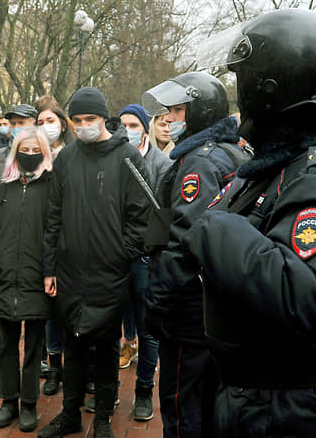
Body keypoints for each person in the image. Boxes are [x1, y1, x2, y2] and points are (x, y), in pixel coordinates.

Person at [180, 8, 316, 437]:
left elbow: (310, 293)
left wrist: (214, 229)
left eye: (243, 80)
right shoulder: (298, 161)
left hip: (299, 409)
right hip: (279, 401)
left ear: (268, 88)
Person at [38, 87, 150, 438]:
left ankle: (102, 417)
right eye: (78, 120)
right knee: (72, 343)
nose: (84, 125)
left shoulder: (128, 157)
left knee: (106, 347)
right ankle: (70, 414)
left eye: (90, 119)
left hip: (109, 271)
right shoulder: (67, 159)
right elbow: (53, 216)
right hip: (69, 270)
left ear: (104, 118)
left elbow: (141, 218)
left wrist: (120, 254)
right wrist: (49, 267)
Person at [142, 71, 249, 438]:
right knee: (209, 405)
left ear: (200, 111)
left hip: (190, 312)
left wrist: (156, 301)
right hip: (216, 306)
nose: (169, 119)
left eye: (177, 110)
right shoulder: (229, 151)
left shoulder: (200, 161)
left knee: (182, 407)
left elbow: (188, 238)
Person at [0, 126, 54, 432]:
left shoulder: (52, 184)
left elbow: (55, 227)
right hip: (5, 275)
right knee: (7, 344)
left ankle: (29, 403)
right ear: (15, 151)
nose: (28, 155)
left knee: (34, 346)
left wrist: (50, 267)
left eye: (34, 149)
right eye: (23, 149)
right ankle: (8, 400)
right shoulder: (4, 183)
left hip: (37, 276)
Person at [117, 103, 172, 422]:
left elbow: (163, 212)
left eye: (134, 124)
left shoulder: (162, 163)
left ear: (145, 126)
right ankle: (105, 389)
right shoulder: (114, 158)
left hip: (145, 257)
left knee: (147, 328)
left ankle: (143, 391)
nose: (128, 129)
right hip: (115, 254)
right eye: (122, 123)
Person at [0, 103, 38, 381]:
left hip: (32, 253)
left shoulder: (44, 157)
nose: (15, 128)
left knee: (35, 312)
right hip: (4, 245)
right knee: (0, 307)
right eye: (12, 123)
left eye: (22, 123)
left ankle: (39, 365)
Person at [34, 95, 72, 395]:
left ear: (62, 124)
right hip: (41, 243)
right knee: (49, 314)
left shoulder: (72, 155)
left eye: (50, 120)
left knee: (69, 311)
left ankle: (76, 371)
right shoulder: (32, 155)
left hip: (70, 244)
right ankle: (53, 369)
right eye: (40, 122)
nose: (46, 126)